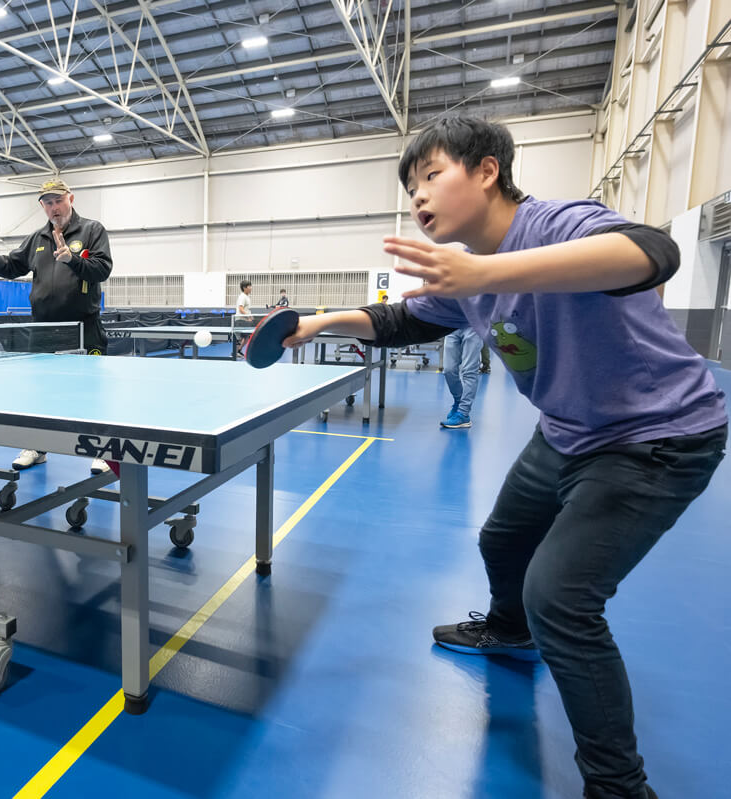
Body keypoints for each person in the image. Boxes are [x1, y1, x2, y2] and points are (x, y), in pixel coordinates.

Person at [284, 115, 725, 799]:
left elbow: (652, 251)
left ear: (486, 169)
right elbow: (402, 321)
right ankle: (508, 629)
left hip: (655, 436)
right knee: (502, 538)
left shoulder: (553, 225)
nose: (418, 198)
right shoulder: (465, 273)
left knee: (563, 600)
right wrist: (318, 323)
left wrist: (485, 270)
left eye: (430, 175)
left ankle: (619, 787)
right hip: (568, 431)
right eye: (411, 189)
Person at [0, 177, 113, 473]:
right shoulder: (37, 239)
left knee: (92, 391)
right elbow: (9, 268)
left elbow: (102, 269)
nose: (53, 207)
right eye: (47, 203)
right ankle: (37, 446)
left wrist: (72, 259)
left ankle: (103, 450)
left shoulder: (92, 230)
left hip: (84, 326)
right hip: (44, 328)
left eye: (58, 200)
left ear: (70, 198)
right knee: (40, 393)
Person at [440, 326, 483, 428]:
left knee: (469, 371)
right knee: (448, 370)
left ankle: (463, 413)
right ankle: (458, 401)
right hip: (452, 325)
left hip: (473, 326)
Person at [233, 279, 253, 357]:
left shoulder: (247, 297)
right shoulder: (242, 297)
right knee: (240, 338)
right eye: (249, 286)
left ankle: (238, 351)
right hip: (240, 320)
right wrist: (248, 316)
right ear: (244, 288)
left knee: (246, 338)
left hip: (245, 319)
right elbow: (241, 309)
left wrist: (249, 317)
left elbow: (245, 309)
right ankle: (234, 354)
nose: (251, 288)